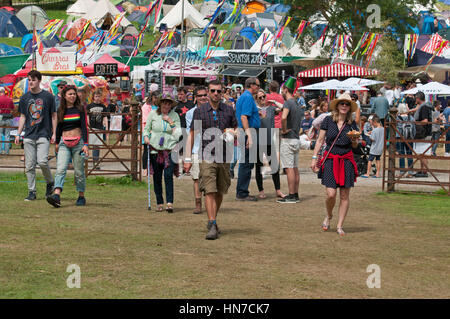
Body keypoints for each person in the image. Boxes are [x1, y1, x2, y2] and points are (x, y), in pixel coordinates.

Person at [184, 80, 237, 240]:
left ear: (222, 93)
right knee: (210, 190)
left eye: (218, 91)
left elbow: (236, 130)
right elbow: (192, 134)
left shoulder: (228, 110)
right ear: (208, 92)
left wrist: (232, 132)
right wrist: (187, 158)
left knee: (220, 191)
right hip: (206, 155)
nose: (216, 94)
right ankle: (212, 222)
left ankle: (213, 219)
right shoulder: (200, 112)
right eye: (213, 91)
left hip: (224, 156)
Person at [310, 93, 359, 236]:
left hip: (346, 160)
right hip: (331, 159)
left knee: (344, 195)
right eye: (342, 103)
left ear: (350, 107)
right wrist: (314, 158)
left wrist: (354, 140)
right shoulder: (328, 120)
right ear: (337, 105)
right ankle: (329, 215)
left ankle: (339, 225)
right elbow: (320, 140)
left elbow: (355, 145)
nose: (344, 106)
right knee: (331, 194)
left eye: (347, 104)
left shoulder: (352, 123)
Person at [15, 70, 56, 201]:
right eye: (29, 80)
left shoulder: (48, 97)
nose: (31, 82)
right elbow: (22, 116)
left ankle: (50, 183)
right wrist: (18, 133)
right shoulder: (24, 97)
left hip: (44, 134)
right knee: (29, 165)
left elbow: (53, 116)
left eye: (33, 79)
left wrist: (54, 133)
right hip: (28, 135)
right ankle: (32, 191)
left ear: (39, 80)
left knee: (43, 161)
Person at [46, 85, 89, 208]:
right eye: (70, 94)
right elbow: (59, 128)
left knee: (79, 171)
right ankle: (56, 195)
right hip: (64, 143)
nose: (73, 96)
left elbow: (84, 128)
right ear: (64, 96)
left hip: (78, 143)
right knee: (60, 169)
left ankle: (81, 195)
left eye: (74, 94)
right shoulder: (60, 110)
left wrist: (86, 144)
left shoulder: (80, 109)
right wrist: (57, 143)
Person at [143, 93, 181, 213]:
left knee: (168, 176)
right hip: (155, 149)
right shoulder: (153, 114)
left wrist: (170, 121)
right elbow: (147, 128)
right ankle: (159, 202)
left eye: (169, 103)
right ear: (160, 103)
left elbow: (178, 133)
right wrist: (146, 137)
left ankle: (169, 202)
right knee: (157, 177)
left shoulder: (174, 116)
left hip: (169, 150)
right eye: (164, 103)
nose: (166, 105)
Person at [277, 77, 303, 204]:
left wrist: (284, 129)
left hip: (288, 139)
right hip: (296, 139)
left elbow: (283, 117)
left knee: (288, 168)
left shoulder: (288, 103)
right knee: (295, 168)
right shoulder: (297, 103)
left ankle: (291, 195)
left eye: (282, 89)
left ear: (286, 89)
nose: (281, 92)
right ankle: (295, 193)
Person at [255, 89, 285, 199]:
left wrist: (273, 100)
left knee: (274, 166)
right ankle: (261, 191)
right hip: (258, 141)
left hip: (269, 141)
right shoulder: (254, 109)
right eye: (260, 97)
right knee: (258, 167)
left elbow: (283, 108)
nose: (263, 99)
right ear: (256, 99)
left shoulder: (271, 109)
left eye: (264, 96)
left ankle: (278, 190)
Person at [235, 77, 261, 201]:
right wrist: (249, 136)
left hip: (245, 131)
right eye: (258, 85)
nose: (259, 87)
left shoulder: (244, 97)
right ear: (251, 85)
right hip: (248, 132)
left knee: (245, 163)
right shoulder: (248, 97)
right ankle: (242, 192)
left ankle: (242, 191)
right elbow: (244, 117)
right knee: (246, 163)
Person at [185, 86, 209, 214]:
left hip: (211, 149)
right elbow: (192, 132)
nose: (203, 97)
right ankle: (198, 203)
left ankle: (209, 203)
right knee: (196, 177)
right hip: (196, 149)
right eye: (200, 95)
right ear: (195, 98)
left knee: (210, 178)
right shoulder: (190, 113)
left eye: (205, 95)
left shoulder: (213, 111)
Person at [412, 91, 433, 177]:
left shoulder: (424, 107)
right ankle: (422, 170)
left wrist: (415, 123)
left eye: (415, 98)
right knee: (421, 153)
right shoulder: (424, 106)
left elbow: (425, 121)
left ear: (418, 98)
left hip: (424, 133)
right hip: (424, 133)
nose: (415, 100)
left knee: (423, 153)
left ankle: (424, 171)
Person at [86, 89, 108, 168]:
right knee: (88, 145)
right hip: (91, 127)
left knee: (96, 146)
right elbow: (87, 116)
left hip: (99, 127)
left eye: (99, 96)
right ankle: (85, 161)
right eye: (96, 96)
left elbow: (105, 117)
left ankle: (95, 162)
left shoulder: (103, 107)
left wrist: (106, 128)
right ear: (93, 97)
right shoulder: (89, 106)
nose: (97, 98)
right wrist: (88, 126)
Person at [142, 92, 159, 176]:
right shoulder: (146, 107)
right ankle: (145, 169)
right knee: (146, 150)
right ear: (152, 97)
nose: (156, 99)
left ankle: (153, 169)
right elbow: (146, 119)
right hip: (148, 131)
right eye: (155, 98)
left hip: (157, 131)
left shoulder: (158, 107)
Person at [396, 103, 415, 177]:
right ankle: (410, 172)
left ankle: (402, 172)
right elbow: (414, 129)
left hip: (400, 137)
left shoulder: (397, 118)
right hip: (409, 137)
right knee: (409, 154)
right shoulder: (411, 118)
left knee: (401, 154)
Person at [0, 87, 15, 155]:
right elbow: (12, 108)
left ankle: (0, 151)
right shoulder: (9, 99)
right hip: (8, 118)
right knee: (7, 135)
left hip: (1, 118)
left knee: (0, 135)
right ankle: (6, 152)